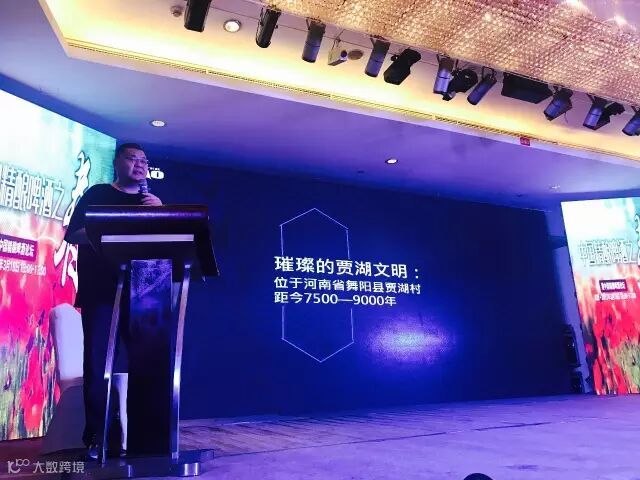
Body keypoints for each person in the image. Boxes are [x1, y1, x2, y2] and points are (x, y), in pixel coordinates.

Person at [64, 143, 162, 460]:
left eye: (144, 160)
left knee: (147, 365)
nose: (140, 165)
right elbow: (73, 234)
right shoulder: (98, 194)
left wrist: (161, 214)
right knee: (98, 365)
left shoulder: (150, 202)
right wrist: (109, 231)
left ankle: (144, 437)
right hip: (101, 292)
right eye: (133, 158)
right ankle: (98, 437)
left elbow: (164, 245)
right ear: (117, 162)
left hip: (144, 296)